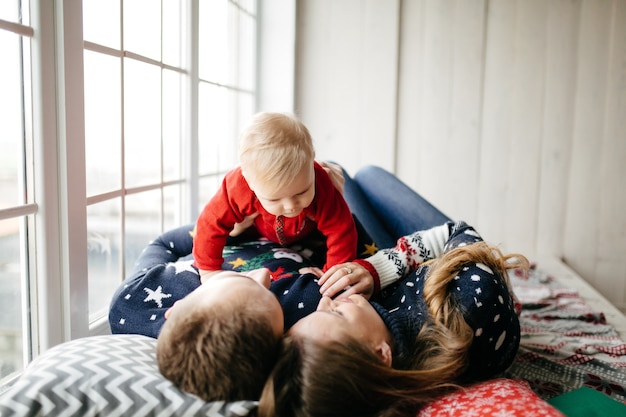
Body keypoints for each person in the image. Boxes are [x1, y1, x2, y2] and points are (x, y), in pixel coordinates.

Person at [257, 168, 529, 417]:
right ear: (380, 354)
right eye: (338, 313)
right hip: (445, 258)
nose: (326, 300)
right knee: (368, 176)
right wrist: (379, 269)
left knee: (328, 179)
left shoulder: (333, 361)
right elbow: (458, 234)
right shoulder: (469, 305)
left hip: (397, 272)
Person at [192, 112, 358, 281]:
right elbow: (210, 224)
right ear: (249, 180)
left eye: (302, 192)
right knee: (195, 234)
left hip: (309, 235)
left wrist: (333, 272)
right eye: (274, 199)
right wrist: (209, 271)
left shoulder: (321, 180)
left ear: (312, 160)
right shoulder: (237, 186)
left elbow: (342, 230)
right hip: (251, 232)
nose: (290, 206)